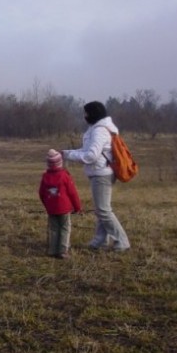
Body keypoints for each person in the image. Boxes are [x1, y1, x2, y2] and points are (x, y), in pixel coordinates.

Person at [62, 101, 131, 252]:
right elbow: (87, 149)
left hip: (101, 174)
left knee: (103, 210)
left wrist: (69, 155)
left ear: (93, 114)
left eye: (86, 113)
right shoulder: (96, 128)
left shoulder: (99, 131)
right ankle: (100, 241)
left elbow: (91, 156)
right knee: (102, 209)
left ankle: (122, 241)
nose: (84, 116)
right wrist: (66, 153)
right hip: (100, 172)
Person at [39, 149, 82, 259]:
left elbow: (41, 193)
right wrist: (77, 207)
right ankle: (63, 250)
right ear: (60, 163)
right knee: (65, 228)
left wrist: (47, 205)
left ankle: (52, 250)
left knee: (53, 228)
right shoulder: (65, 176)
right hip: (64, 209)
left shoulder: (45, 177)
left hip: (51, 209)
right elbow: (72, 193)